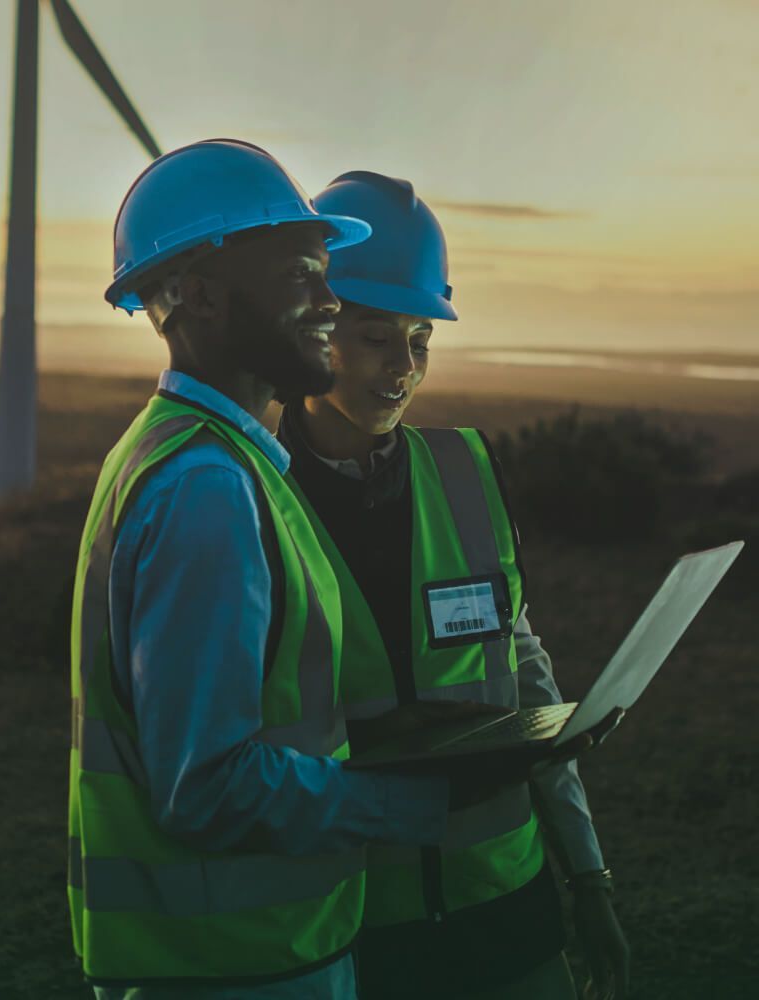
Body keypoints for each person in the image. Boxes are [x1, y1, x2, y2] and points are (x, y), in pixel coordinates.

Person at [66, 140, 558, 999]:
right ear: (203, 299)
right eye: (303, 276)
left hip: (263, 949)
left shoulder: (222, 463)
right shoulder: (206, 487)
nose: (331, 301)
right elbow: (207, 786)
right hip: (235, 963)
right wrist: (415, 804)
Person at [275, 171, 631, 999]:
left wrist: (587, 874)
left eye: (420, 340)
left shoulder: (466, 472)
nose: (403, 368)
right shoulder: (247, 496)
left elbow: (525, 678)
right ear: (314, 327)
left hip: (509, 911)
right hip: (350, 931)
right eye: (374, 336)